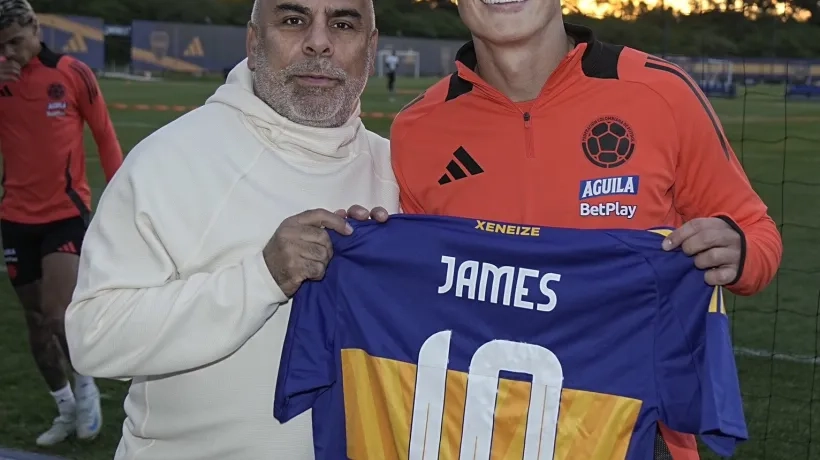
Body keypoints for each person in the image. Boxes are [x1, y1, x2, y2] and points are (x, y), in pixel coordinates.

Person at [389, 1, 782, 459]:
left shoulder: (660, 91)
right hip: (479, 430)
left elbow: (757, 231)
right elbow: (419, 296)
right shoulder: (416, 130)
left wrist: (738, 251)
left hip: (633, 428)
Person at [64, 0, 397, 459]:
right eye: (293, 20)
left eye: (343, 24)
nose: (319, 42)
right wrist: (261, 278)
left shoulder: (398, 173)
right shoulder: (170, 160)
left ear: (371, 46)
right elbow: (93, 337)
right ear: (254, 39)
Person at [0, 0, 122, 446]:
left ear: (35, 27)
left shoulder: (72, 73)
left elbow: (105, 136)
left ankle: (87, 388)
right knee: (35, 321)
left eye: (15, 42)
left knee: (57, 316)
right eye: (1, 47)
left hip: (66, 216)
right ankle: (64, 407)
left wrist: (121, 197)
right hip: (14, 218)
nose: (9, 53)